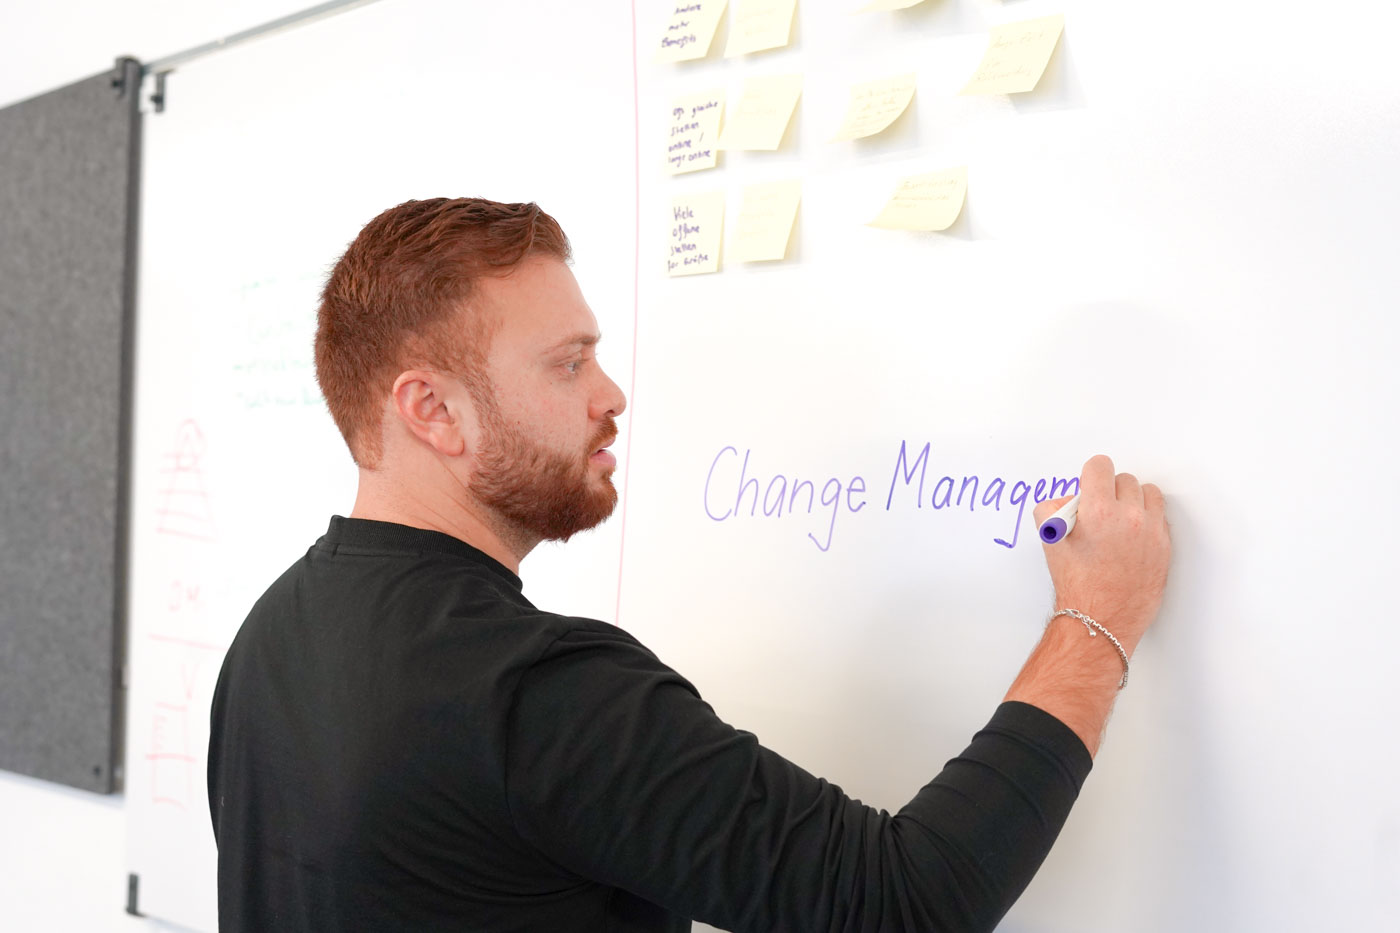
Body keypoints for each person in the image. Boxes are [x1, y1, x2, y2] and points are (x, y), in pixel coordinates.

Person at [208, 197, 1171, 932]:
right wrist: (1096, 622)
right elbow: (906, 901)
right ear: (433, 410)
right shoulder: (535, 694)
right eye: (568, 362)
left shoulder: (272, 633)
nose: (611, 392)